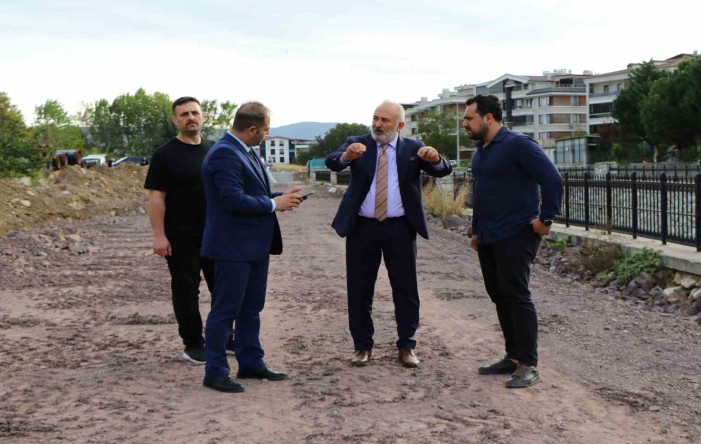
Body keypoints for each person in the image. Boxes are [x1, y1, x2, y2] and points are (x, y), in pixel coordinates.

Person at [325, 100, 452, 368]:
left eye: (385, 120)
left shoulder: (413, 148)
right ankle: (362, 347)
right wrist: (347, 156)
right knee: (359, 289)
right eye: (375, 118)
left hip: (400, 228)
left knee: (405, 289)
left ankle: (407, 346)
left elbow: (443, 170)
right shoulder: (357, 143)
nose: (378, 124)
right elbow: (333, 162)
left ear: (400, 125)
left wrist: (436, 158)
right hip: (362, 228)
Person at [200, 101, 303, 393]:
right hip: (232, 247)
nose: (267, 135)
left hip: (254, 247)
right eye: (266, 130)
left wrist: (280, 197)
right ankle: (215, 371)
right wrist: (273, 204)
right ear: (252, 129)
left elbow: (253, 192)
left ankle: (250, 362)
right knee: (225, 311)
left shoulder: (245, 151)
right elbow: (232, 200)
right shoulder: (224, 153)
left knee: (251, 308)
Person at [463, 94, 563, 388]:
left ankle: (529, 364)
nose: (465, 124)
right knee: (499, 295)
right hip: (489, 235)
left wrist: (546, 219)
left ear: (488, 117)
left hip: (516, 234)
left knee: (517, 296)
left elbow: (552, 179)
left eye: (469, 118)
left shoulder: (519, 144)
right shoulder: (481, 151)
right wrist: (475, 230)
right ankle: (513, 356)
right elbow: (481, 193)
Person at [144, 96, 218, 364]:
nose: (191, 118)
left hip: (215, 233)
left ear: (203, 116)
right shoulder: (165, 155)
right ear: (175, 120)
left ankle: (224, 337)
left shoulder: (214, 150)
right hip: (181, 235)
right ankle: (193, 344)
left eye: (195, 113)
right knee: (187, 290)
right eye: (184, 114)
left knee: (223, 287)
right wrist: (159, 236)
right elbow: (156, 198)